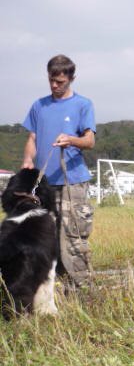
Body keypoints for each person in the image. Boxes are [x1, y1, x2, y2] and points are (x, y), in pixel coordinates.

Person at [22, 54, 96, 289]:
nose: (55, 86)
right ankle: (54, 289)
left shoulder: (83, 104)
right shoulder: (39, 105)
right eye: (51, 80)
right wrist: (27, 159)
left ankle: (82, 290)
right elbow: (32, 138)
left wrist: (72, 140)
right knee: (46, 237)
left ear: (71, 78)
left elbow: (89, 140)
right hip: (43, 184)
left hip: (72, 182)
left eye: (60, 82)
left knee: (72, 238)